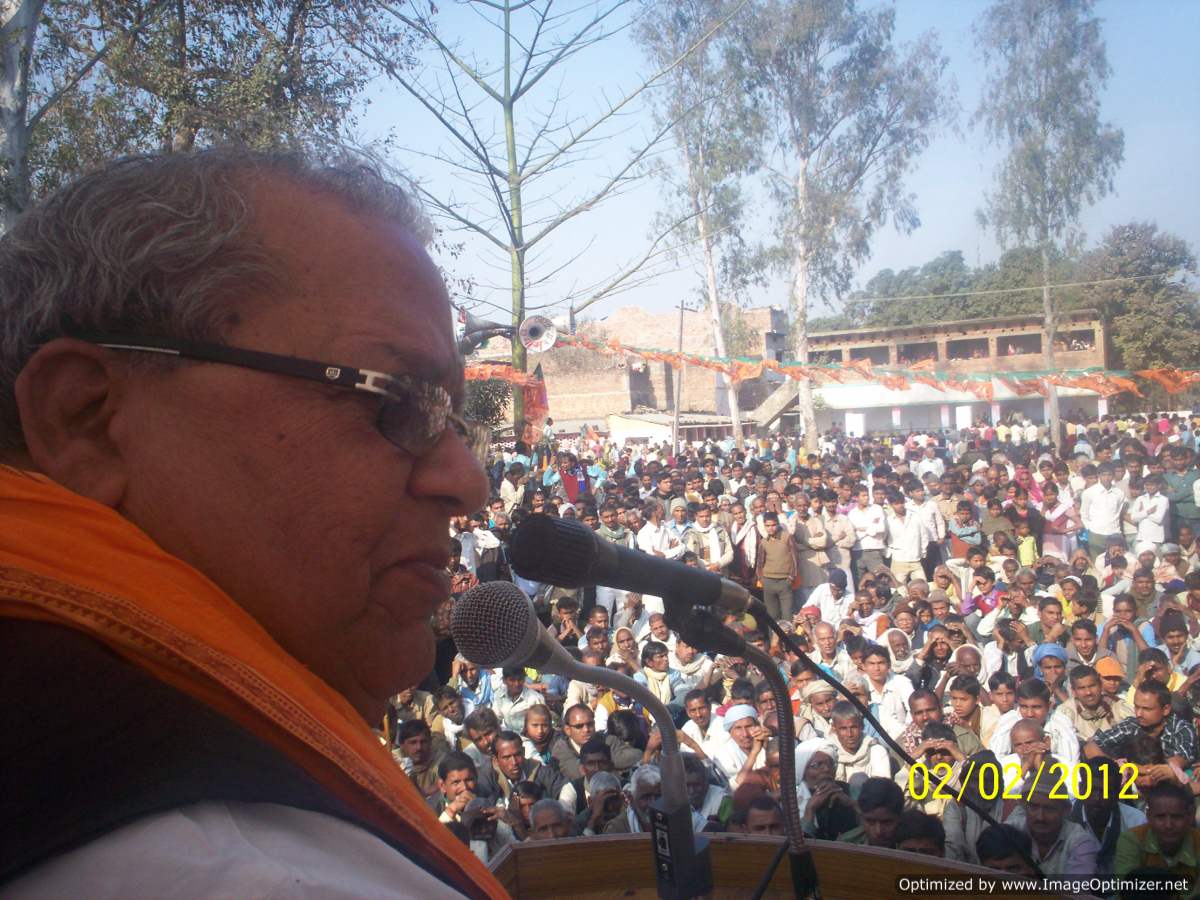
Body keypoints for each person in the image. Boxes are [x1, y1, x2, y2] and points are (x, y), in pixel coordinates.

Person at [0, 149, 502, 896]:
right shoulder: (236, 875)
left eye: (450, 417)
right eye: (393, 401)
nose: (469, 482)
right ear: (89, 421)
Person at [1115, 781, 1200, 888]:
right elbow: (1125, 889)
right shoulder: (1132, 839)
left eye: (1177, 817)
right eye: (1160, 817)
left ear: (1190, 816)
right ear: (1149, 816)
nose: (1168, 825)